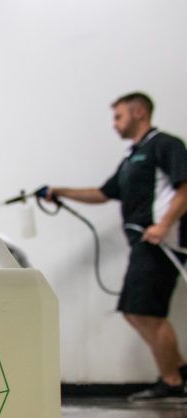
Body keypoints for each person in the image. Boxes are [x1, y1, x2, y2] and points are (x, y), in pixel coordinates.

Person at [46, 92, 187, 402]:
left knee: (144, 311)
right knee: (135, 311)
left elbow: (184, 187)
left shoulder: (165, 145)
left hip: (162, 242)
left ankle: (174, 381)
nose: (114, 124)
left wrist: (163, 225)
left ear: (138, 112)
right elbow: (103, 193)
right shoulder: (132, 157)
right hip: (143, 243)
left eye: (118, 116)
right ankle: (177, 373)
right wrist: (60, 191)